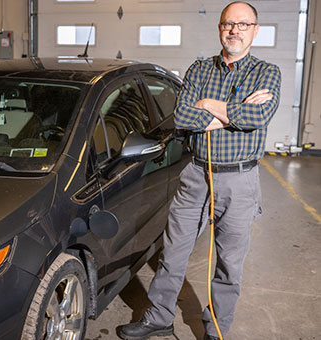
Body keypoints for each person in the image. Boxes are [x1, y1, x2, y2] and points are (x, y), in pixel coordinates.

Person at [118, 2, 281, 340]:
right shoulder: (199, 70)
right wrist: (232, 113)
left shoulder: (267, 73)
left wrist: (209, 106)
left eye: (243, 24)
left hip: (239, 180)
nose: (234, 30)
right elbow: (182, 118)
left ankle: (215, 329)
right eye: (228, 23)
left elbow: (257, 119)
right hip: (195, 175)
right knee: (173, 252)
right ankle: (159, 317)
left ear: (255, 30)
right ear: (220, 28)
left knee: (229, 264)